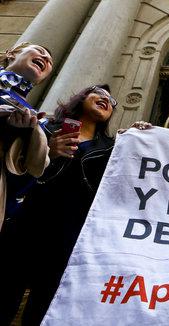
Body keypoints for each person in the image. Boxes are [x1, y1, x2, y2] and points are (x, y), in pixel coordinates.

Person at [7, 85, 117, 325]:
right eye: (99, 93)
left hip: (70, 237)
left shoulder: (112, 148)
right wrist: (48, 154)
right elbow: (14, 179)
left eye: (111, 101)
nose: (106, 100)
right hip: (27, 226)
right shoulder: (43, 129)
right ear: (82, 97)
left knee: (44, 309)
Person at [0, 42, 53, 229]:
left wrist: (16, 132)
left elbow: (18, 186)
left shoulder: (35, 120)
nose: (46, 58)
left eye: (50, 62)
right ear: (11, 53)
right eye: (40, 51)